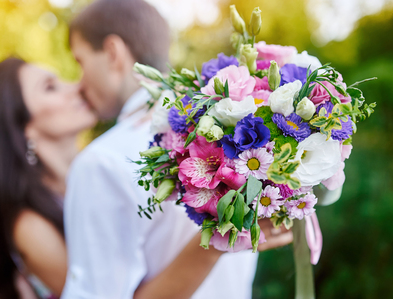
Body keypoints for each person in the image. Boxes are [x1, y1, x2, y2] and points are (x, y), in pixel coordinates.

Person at [63, 1, 293, 298]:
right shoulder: (232, 128)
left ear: (112, 52)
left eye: (80, 61)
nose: (79, 83)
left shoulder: (100, 162)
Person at [0, 58, 98, 299]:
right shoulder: (30, 226)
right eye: (50, 87)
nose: (77, 86)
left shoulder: (92, 176)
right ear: (22, 127)